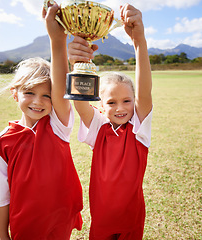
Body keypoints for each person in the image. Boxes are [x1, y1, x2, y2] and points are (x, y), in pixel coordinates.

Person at [0, 3, 83, 239]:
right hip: (24, 225)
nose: (38, 102)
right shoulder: (1, 142)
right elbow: (0, 194)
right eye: (29, 92)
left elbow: (61, 88)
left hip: (60, 220)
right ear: (14, 93)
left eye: (46, 95)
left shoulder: (58, 126)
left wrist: (57, 39)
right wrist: (2, 234)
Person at [68, 4, 153, 239]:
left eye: (127, 101)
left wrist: (139, 41)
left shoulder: (139, 129)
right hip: (102, 219)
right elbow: (79, 102)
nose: (120, 108)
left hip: (132, 218)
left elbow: (145, 92)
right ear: (101, 106)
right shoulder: (99, 128)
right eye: (112, 102)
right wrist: (78, 62)